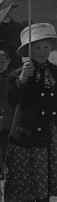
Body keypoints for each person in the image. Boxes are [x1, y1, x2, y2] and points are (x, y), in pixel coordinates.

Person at [4, 24, 57, 202]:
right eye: (37, 47)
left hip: (50, 134)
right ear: (28, 50)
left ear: (51, 48)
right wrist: (23, 78)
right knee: (27, 181)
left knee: (44, 182)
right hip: (26, 136)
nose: (42, 51)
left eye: (45, 47)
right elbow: (12, 99)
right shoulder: (18, 74)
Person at [0, 40, 16, 179]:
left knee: (8, 149)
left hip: (10, 120)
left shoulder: (13, 78)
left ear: (8, 61)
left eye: (2, 61)